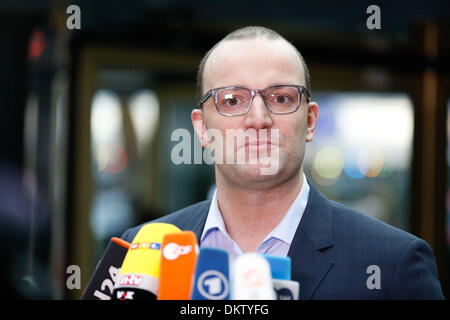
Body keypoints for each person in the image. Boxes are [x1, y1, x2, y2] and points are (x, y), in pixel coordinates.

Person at [120, 26, 444, 299]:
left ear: (311, 122)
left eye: (281, 98)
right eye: (232, 100)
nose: (258, 119)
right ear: (202, 129)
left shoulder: (392, 263)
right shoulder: (139, 251)